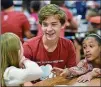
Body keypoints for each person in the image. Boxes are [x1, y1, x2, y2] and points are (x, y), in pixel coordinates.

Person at [23, 4, 76, 69]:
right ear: (41, 25)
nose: (49, 29)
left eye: (53, 24)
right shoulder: (29, 46)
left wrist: (68, 72)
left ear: (62, 25)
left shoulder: (68, 45)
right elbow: (24, 74)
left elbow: (72, 72)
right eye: (45, 25)